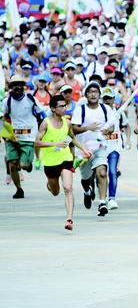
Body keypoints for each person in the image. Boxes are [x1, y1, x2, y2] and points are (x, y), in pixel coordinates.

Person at [35, 95, 91, 230]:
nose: (65, 108)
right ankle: (50, 184)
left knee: (68, 188)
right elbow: (36, 143)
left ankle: (69, 219)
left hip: (66, 159)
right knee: (55, 191)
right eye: (61, 106)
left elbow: (72, 138)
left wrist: (84, 149)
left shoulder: (67, 122)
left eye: (65, 105)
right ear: (53, 108)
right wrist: (55, 144)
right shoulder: (45, 123)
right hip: (50, 162)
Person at [71, 81, 115, 217]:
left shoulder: (105, 109)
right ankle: (87, 191)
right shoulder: (81, 109)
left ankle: (102, 203)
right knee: (86, 178)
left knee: (102, 172)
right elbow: (73, 129)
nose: (93, 94)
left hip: (100, 147)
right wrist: (88, 128)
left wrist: (107, 131)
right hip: (84, 149)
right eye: (90, 92)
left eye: (96, 92)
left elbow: (112, 126)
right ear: (86, 95)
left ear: (99, 94)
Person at [2, 75, 45, 199]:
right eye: (15, 85)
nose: (18, 87)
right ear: (10, 87)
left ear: (24, 86)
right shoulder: (6, 101)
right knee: (12, 164)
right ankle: (19, 189)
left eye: (20, 85)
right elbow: (1, 117)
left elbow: (43, 114)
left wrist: (43, 132)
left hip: (29, 138)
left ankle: (28, 164)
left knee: (24, 165)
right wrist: (3, 133)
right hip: (12, 137)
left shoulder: (31, 99)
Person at [102, 87, 129, 210]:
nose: (107, 100)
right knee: (100, 174)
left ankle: (112, 198)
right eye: (105, 98)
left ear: (114, 99)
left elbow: (126, 126)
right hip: (101, 147)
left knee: (112, 172)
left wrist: (128, 140)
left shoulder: (119, 112)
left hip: (114, 146)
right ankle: (99, 195)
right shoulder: (98, 112)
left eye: (109, 98)